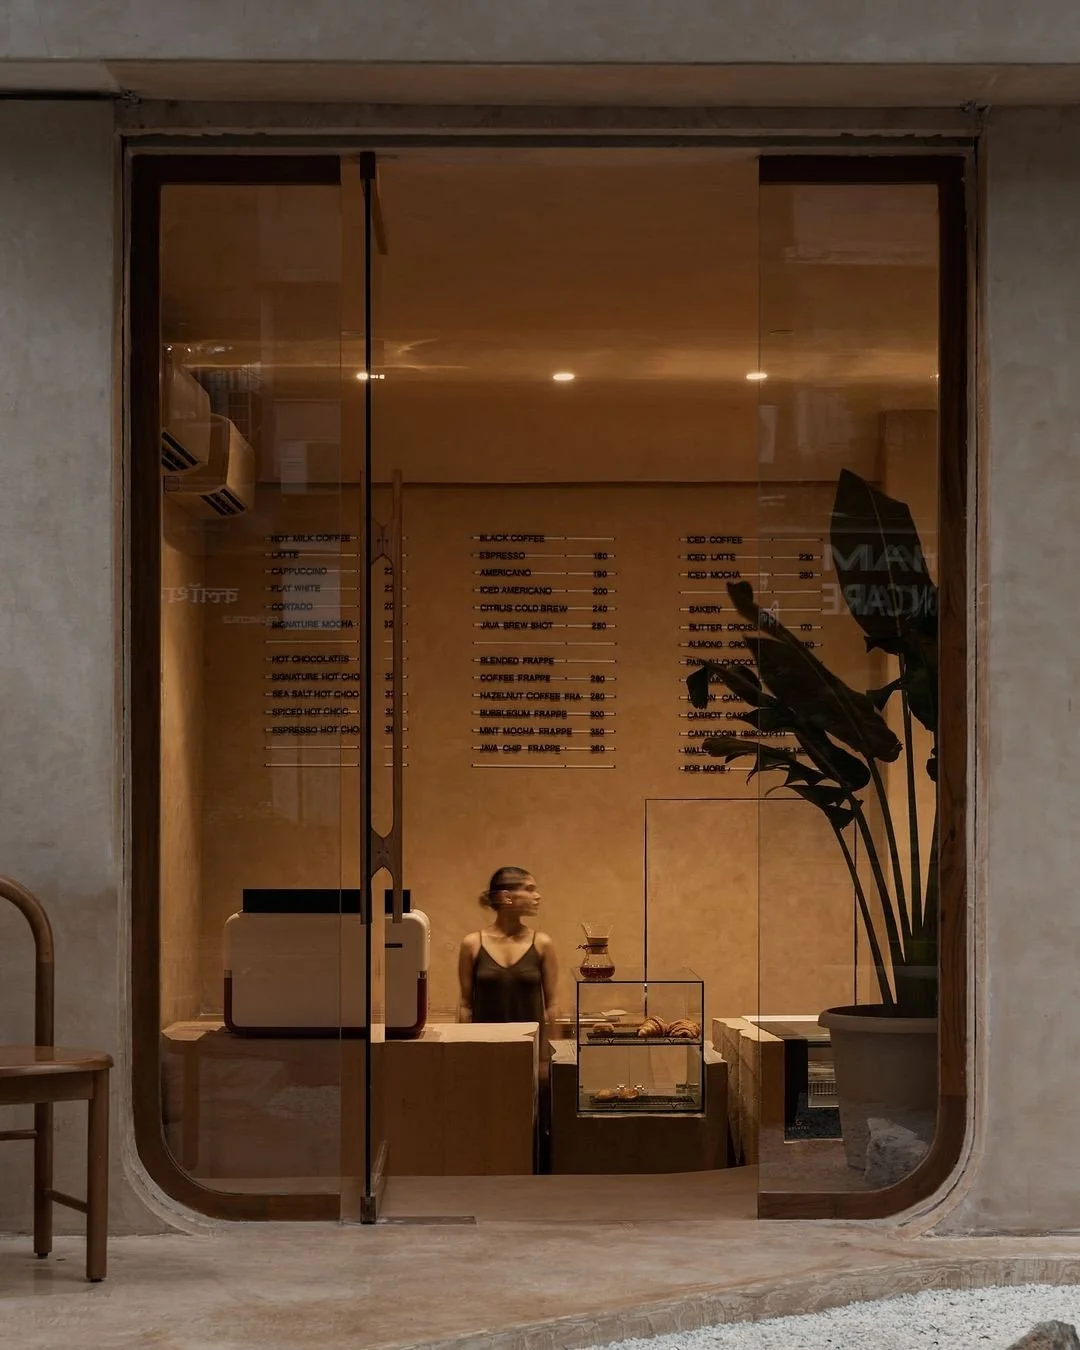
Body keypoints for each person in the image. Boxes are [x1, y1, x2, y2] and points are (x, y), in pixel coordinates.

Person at [457, 866, 558, 1030]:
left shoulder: (542, 943)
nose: (537, 896)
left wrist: (552, 1050)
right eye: (529, 889)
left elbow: (551, 1005)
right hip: (485, 1046)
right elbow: (465, 1005)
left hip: (530, 1049)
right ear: (506, 897)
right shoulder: (472, 944)